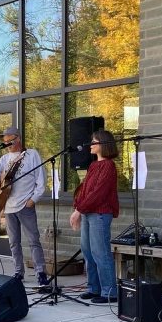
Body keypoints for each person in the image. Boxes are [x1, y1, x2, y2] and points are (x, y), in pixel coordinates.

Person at [0, 127, 49, 288]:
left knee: (33, 240)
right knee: (14, 242)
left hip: (26, 205)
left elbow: (41, 180)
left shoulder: (32, 154)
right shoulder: (3, 159)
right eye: (5, 142)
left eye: (10, 141)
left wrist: (33, 199)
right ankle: (18, 272)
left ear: (18, 139)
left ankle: (41, 272)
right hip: (9, 206)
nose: (7, 144)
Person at [70, 129, 120, 304]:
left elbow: (98, 193)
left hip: (99, 213)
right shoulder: (93, 165)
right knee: (88, 251)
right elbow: (85, 191)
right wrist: (78, 208)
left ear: (104, 144)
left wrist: (79, 211)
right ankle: (94, 288)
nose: (91, 144)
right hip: (87, 212)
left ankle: (110, 292)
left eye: (94, 141)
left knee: (101, 252)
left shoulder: (108, 166)